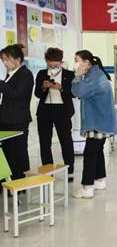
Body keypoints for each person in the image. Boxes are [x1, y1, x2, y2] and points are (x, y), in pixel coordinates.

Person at [71, 51, 117, 199]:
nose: (75, 64)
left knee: (90, 153)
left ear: (86, 62)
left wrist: (77, 76)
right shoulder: (95, 75)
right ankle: (99, 180)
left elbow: (78, 91)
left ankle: (87, 187)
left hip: (97, 122)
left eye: (77, 60)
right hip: (100, 120)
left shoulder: (94, 77)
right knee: (97, 151)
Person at [34, 47, 76, 181]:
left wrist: (61, 88)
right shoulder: (41, 73)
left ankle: (70, 170)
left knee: (66, 141)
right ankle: (48, 170)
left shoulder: (69, 74)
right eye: (49, 63)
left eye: (55, 63)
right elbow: (37, 94)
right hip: (45, 110)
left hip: (62, 111)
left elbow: (73, 93)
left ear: (61, 62)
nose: (52, 65)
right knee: (45, 142)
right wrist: (44, 86)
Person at [0, 44, 33, 180]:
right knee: (6, 152)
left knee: (17, 152)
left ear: (18, 59)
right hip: (6, 119)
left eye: (7, 59)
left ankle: (18, 182)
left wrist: (1, 84)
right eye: (3, 59)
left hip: (17, 120)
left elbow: (18, 95)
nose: (4, 63)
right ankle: (6, 181)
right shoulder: (10, 74)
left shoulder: (25, 74)